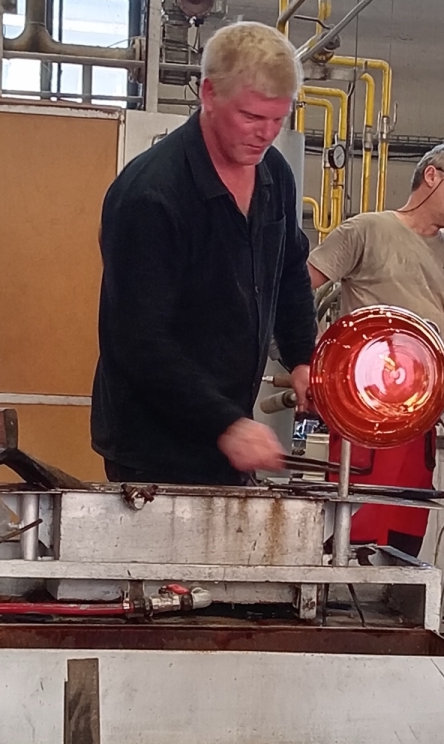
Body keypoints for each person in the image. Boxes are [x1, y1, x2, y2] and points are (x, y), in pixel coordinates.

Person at [91, 22, 317, 485]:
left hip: (230, 434)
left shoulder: (274, 174)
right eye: (252, 117)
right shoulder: (152, 196)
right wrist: (226, 424)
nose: (266, 134)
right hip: (155, 449)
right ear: (209, 94)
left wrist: (303, 358)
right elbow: (138, 342)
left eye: (279, 119)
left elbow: (290, 270)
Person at [306, 145, 444, 556]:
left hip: (420, 419)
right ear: (432, 175)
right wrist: (308, 361)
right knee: (354, 531)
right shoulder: (366, 231)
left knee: (404, 532)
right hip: (364, 415)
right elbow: (298, 287)